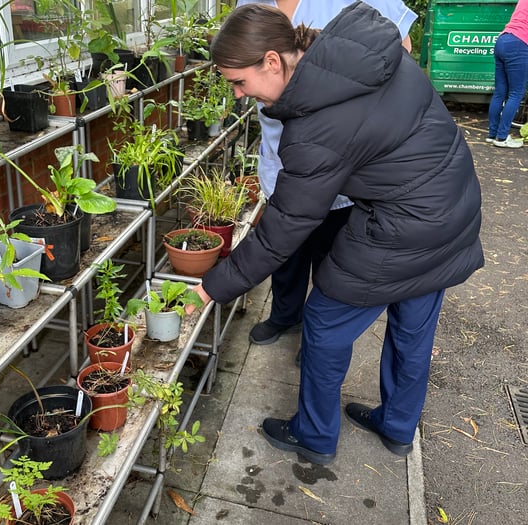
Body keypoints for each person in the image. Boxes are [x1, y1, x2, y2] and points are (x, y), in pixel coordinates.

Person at [189, 2, 484, 464]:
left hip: (405, 224)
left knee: (324, 324)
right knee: (412, 329)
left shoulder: (316, 127)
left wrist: (213, 287)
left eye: (239, 83)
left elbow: (284, 227)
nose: (240, 96)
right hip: (454, 206)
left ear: (272, 60)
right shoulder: (358, 52)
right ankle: (397, 426)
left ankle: (314, 435)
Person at [235, 0, 417, 353]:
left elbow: (400, 51)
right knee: (286, 248)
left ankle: (320, 334)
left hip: (338, 161)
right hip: (280, 154)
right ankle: (286, 314)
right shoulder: (251, 2)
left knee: (331, 255)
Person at [487, 0, 528, 148]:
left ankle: (492, 134)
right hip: (520, 42)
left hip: (503, 39)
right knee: (516, 93)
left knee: (499, 92)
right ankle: (502, 137)